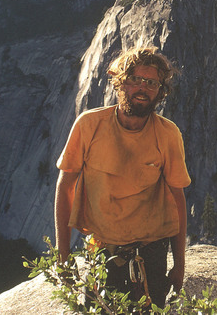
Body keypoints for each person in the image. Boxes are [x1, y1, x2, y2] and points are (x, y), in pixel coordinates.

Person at [54, 46, 191, 309]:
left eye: (151, 82)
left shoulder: (167, 134)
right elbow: (65, 186)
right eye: (135, 80)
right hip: (103, 248)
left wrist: (179, 265)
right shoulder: (89, 125)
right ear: (121, 84)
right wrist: (63, 256)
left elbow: (178, 201)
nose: (142, 88)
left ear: (160, 91)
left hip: (151, 252)